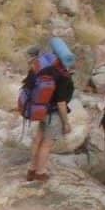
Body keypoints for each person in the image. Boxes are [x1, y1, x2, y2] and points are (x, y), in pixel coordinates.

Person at [26, 53, 74, 183]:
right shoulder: (64, 77)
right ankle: (40, 173)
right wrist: (66, 123)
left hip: (41, 110)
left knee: (38, 140)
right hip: (54, 115)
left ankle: (31, 169)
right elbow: (61, 103)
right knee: (46, 145)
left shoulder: (46, 70)